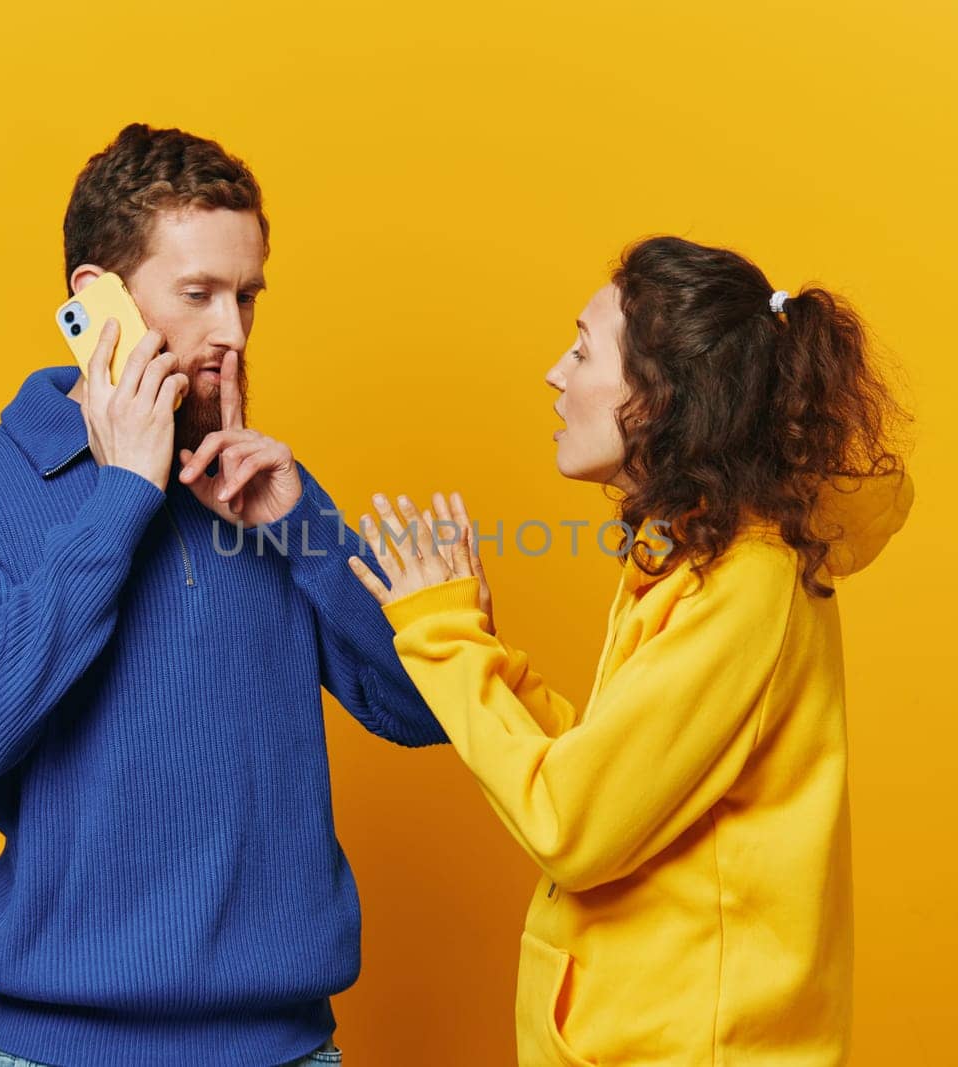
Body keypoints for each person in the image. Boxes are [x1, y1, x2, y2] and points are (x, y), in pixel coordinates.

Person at [0, 122, 446, 1067]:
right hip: (64, 1049)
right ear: (96, 298)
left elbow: (429, 706)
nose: (229, 332)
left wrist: (301, 524)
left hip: (287, 1048)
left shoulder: (268, 493)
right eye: (197, 295)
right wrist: (122, 498)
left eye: (246, 297)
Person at [347, 236, 915, 1065]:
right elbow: (610, 774)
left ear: (659, 398)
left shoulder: (742, 584)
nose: (555, 373)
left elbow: (573, 827)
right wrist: (480, 647)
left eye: (582, 349)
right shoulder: (690, 555)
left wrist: (445, 635)